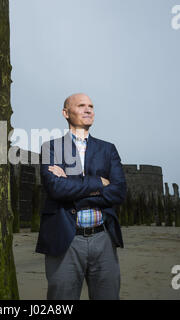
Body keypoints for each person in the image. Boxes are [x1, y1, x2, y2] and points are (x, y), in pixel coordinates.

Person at [35, 93, 127, 300]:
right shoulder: (51, 147)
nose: (88, 110)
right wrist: (99, 183)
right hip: (65, 238)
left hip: (103, 238)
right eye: (82, 105)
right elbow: (56, 189)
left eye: (91, 106)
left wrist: (72, 185)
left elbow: (119, 192)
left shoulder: (108, 149)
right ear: (66, 113)